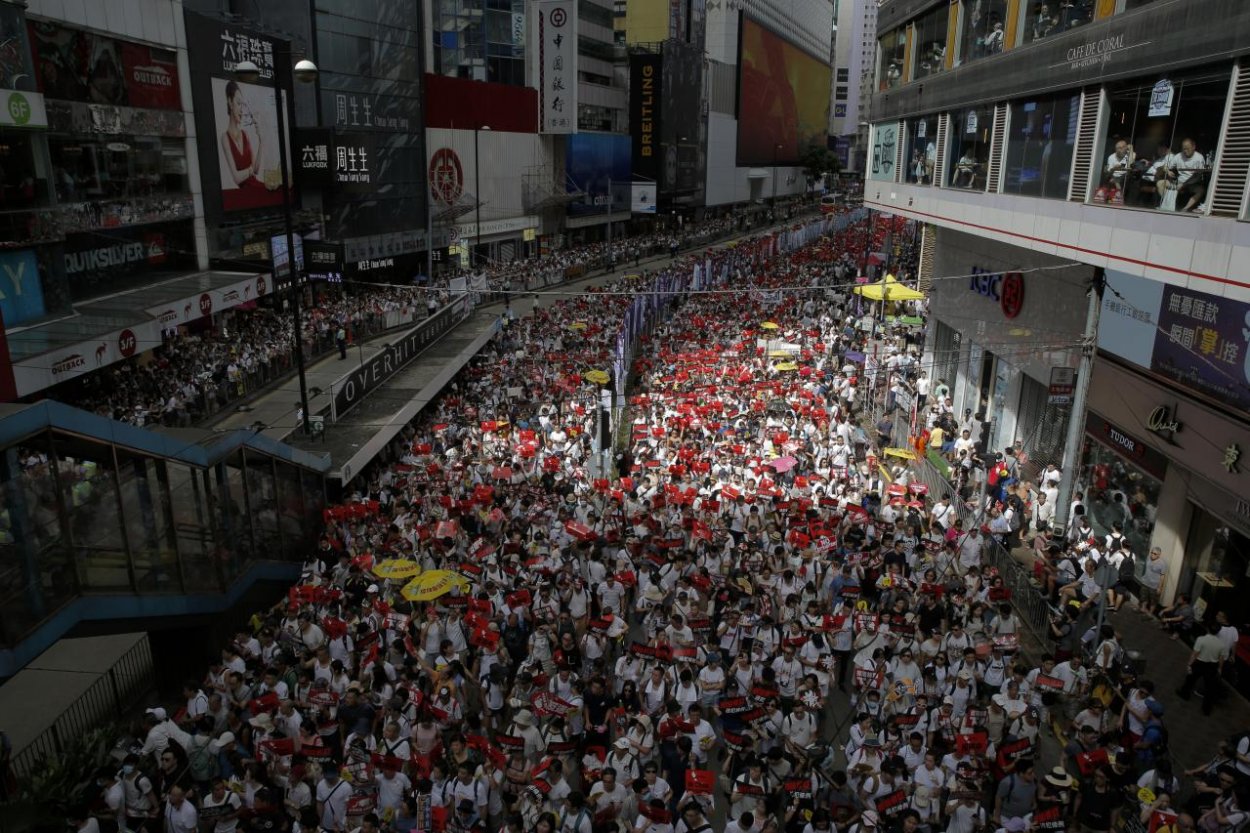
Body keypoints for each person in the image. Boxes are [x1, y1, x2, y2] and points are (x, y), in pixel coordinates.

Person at [1176, 622, 1225, 715]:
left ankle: (1185, 694)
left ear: (1207, 628)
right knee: (1209, 688)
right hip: (1212, 666)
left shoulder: (1201, 639)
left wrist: (1189, 664)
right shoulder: (1221, 644)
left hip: (1199, 663)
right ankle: (1206, 709)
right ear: (1218, 632)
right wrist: (1220, 669)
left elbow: (1195, 653)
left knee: (1190, 680)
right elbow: (1221, 658)